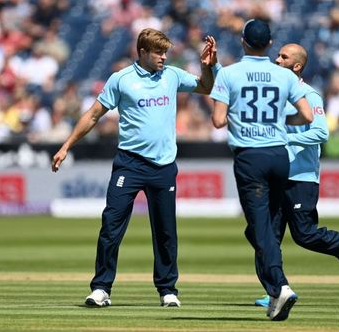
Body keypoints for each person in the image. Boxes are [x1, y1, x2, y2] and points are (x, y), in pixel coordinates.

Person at [51, 28, 218, 308]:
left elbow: (206, 87)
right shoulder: (122, 79)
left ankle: (168, 290)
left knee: (166, 231)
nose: (164, 57)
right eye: (158, 53)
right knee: (111, 226)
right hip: (129, 164)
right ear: (142, 52)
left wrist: (207, 67)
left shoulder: (172, 75)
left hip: (164, 166)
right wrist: (67, 144)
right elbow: (94, 114)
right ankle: (101, 288)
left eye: (165, 52)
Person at [210, 19, 313, 321]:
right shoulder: (284, 75)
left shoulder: (228, 74)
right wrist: (279, 123)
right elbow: (306, 115)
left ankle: (279, 286)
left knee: (261, 228)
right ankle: (274, 293)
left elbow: (217, 121)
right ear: (269, 44)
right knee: (264, 226)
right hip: (280, 156)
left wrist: (242, 120)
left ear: (242, 41)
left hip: (250, 158)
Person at [254, 43, 339, 308]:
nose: (277, 59)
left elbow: (321, 133)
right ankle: (275, 289)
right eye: (278, 54)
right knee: (267, 237)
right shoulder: (272, 95)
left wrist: (284, 141)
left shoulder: (309, 95)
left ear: (297, 66)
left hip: (302, 177)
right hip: (275, 177)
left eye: (284, 57)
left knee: (304, 234)